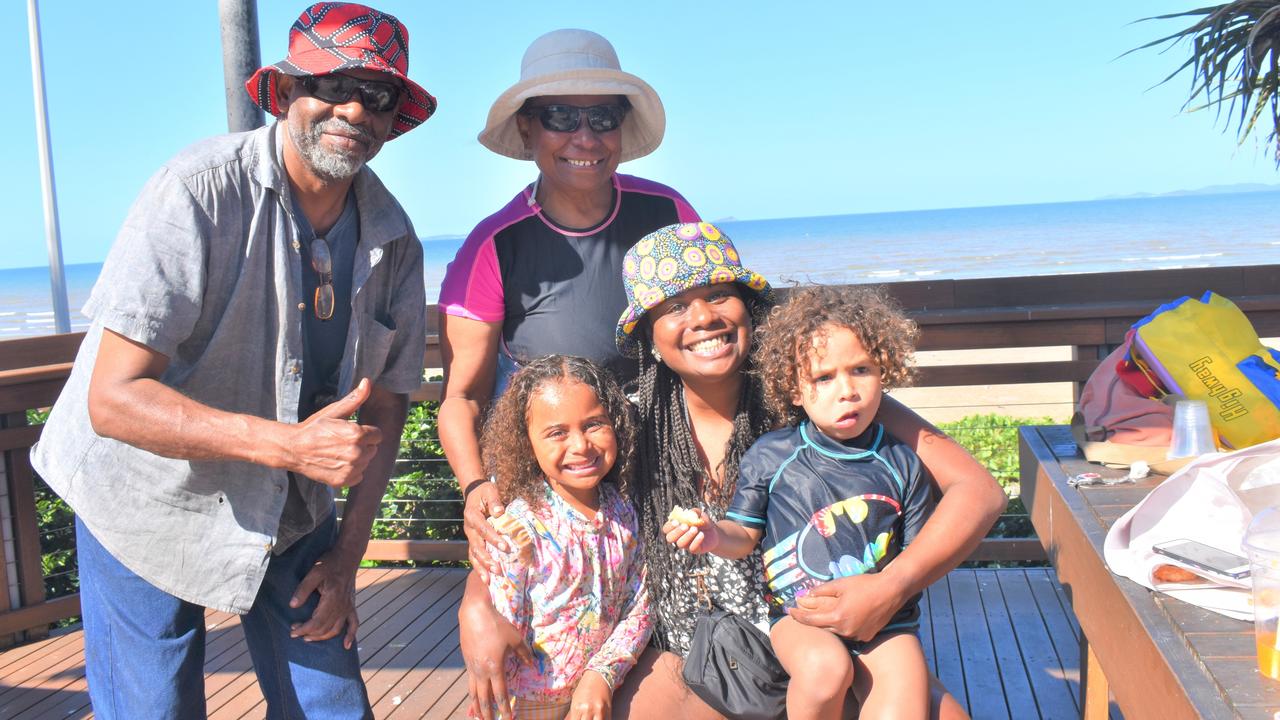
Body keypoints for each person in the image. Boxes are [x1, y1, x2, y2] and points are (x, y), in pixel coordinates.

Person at [29, 4, 433, 717]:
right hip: (141, 494)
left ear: (393, 118)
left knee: (334, 708)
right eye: (330, 83)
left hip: (289, 507)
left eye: (375, 95)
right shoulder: (196, 191)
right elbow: (113, 399)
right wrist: (289, 445)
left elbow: (388, 404)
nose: (351, 108)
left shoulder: (394, 237)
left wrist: (346, 559)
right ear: (283, 95)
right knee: (156, 708)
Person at [463, 225, 1004, 720]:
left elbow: (977, 492)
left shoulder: (816, 394)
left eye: (718, 295)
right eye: (675, 306)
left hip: (824, 637)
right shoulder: (623, 426)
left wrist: (891, 587)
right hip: (685, 651)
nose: (702, 318)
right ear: (650, 336)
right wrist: (477, 605)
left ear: (749, 310)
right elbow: (534, 517)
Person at [438, 28, 699, 570]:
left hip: (668, 476)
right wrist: (475, 489)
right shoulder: (494, 247)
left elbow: (717, 328)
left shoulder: (668, 214)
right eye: (561, 117)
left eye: (602, 118)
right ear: (528, 128)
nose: (585, 137)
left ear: (621, 130)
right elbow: (462, 398)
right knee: (487, 636)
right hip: (553, 492)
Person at [668, 285, 934, 719]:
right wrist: (714, 533)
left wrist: (885, 594)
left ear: (884, 370)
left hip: (887, 623)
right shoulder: (773, 455)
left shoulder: (903, 464)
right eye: (824, 378)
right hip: (800, 617)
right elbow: (744, 536)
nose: (846, 391)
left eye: (861, 370)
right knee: (823, 669)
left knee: (906, 699)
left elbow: (918, 555)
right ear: (794, 390)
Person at [478, 355, 651, 720]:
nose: (580, 445)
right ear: (527, 443)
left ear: (615, 424)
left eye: (594, 425)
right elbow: (499, 635)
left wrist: (602, 673)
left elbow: (641, 605)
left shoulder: (625, 512)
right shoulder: (517, 530)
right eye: (557, 432)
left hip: (604, 693)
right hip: (525, 707)